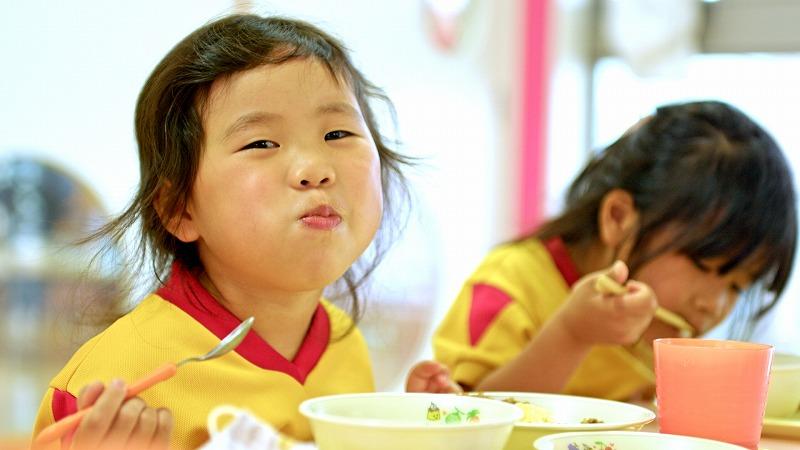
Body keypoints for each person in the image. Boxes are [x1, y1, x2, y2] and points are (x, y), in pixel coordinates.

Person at [32, 14, 457, 450]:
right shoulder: (111, 383)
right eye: (261, 144)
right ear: (179, 207)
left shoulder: (343, 342)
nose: (315, 169)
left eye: (337, 133)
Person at [433, 100, 797, 401]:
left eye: (737, 286)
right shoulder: (509, 285)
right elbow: (467, 419)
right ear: (619, 218)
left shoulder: (659, 339)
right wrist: (572, 334)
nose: (714, 305)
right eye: (704, 265)